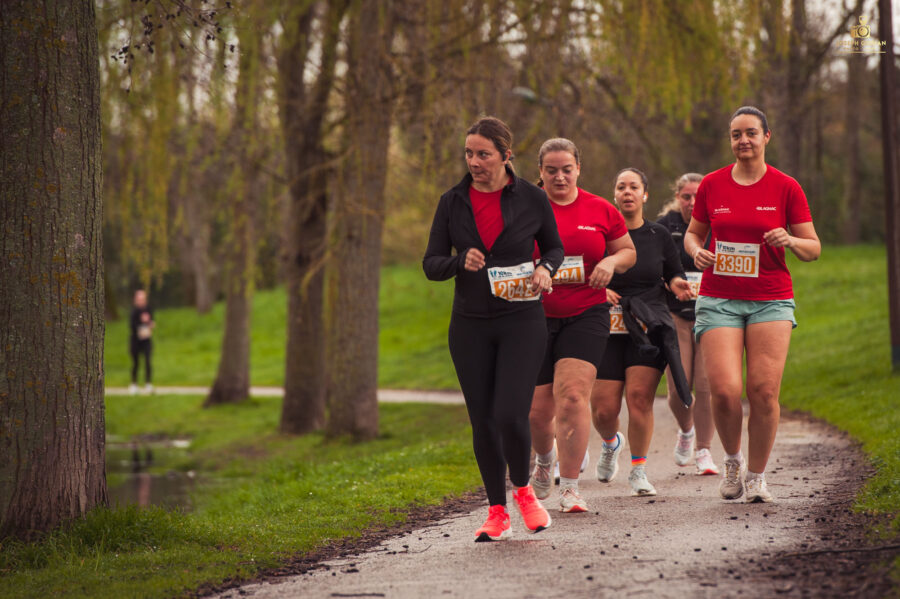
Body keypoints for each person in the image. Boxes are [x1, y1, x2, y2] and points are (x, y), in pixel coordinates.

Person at [423, 116, 564, 541]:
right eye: (469, 153)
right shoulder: (452, 201)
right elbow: (430, 263)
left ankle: (524, 492)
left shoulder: (531, 199)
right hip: (469, 324)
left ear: (506, 156)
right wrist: (457, 261)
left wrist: (545, 267)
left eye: (483, 154)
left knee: (509, 413)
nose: (475, 162)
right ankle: (496, 510)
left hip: (521, 319)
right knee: (482, 420)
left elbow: (554, 246)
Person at [684, 106, 820, 503]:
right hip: (719, 298)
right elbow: (693, 234)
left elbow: (813, 248)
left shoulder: (786, 186)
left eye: (750, 133)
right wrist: (696, 252)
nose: (743, 140)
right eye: (736, 134)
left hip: (770, 299)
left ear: (766, 137)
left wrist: (790, 241)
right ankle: (732, 460)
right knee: (725, 391)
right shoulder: (711, 185)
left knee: (763, 392)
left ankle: (757, 476)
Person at [528, 139, 636, 513]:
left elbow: (627, 250)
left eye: (567, 169)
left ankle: (570, 486)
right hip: (534, 316)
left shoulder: (600, 209)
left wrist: (610, 263)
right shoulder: (524, 208)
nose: (560, 176)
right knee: (538, 411)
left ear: (579, 169)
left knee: (573, 396)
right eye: (551, 170)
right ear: (540, 171)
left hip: (587, 313)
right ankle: (544, 460)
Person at [591, 168, 693, 497]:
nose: (627, 192)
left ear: (645, 195)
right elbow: (586, 271)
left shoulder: (659, 234)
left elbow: (673, 274)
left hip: (648, 323)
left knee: (639, 399)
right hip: (607, 324)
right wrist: (598, 291)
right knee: (604, 408)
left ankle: (638, 469)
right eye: (621, 187)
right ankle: (610, 443)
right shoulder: (600, 234)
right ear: (614, 194)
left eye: (634, 187)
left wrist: (679, 286)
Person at [657, 173, 719, 475]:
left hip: (711, 313)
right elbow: (652, 268)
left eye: (697, 196)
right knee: (679, 387)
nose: (692, 202)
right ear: (677, 197)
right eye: (685, 196)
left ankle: (704, 450)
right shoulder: (664, 226)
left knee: (706, 386)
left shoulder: (717, 222)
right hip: (674, 314)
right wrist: (671, 282)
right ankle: (686, 430)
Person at [129, 289, 155, 394]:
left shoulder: (148, 309)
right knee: (136, 363)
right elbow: (132, 326)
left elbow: (151, 322)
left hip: (146, 340)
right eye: (139, 299)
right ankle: (134, 384)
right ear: (136, 300)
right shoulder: (134, 312)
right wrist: (142, 322)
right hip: (136, 340)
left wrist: (150, 323)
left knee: (148, 360)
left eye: (143, 299)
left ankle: (148, 383)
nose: (141, 301)